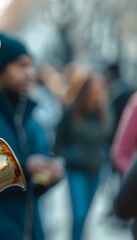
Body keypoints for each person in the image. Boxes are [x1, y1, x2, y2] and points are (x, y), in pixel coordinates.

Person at [0, 33, 63, 240]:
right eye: (22, 65)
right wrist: (25, 167)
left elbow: (32, 188)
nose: (31, 74)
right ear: (0, 68)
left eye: (31, 66)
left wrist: (49, 176)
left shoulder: (29, 118)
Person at [54, 67, 110, 240]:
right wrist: (72, 154)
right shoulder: (73, 112)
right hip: (76, 169)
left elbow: (109, 140)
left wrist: (104, 156)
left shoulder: (105, 115)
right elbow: (57, 144)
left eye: (100, 91)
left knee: (86, 215)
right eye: (94, 90)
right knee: (78, 214)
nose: (97, 94)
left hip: (96, 170)